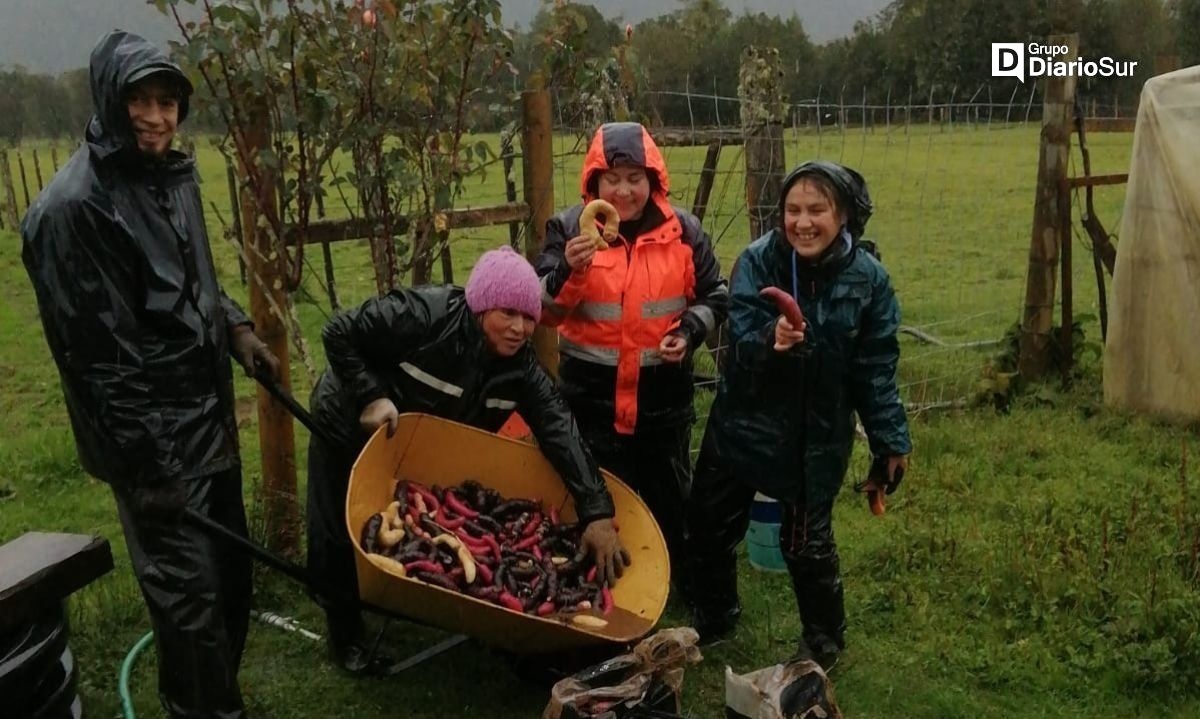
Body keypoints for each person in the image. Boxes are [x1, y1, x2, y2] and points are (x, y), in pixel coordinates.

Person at [20, 30, 279, 719]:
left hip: (206, 420)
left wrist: (236, 328)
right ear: (112, 100)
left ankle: (212, 700)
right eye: (142, 100)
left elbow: (191, 281)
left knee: (229, 585)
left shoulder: (170, 172)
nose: (158, 117)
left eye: (169, 102)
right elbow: (101, 364)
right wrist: (152, 468)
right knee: (189, 608)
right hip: (151, 443)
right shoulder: (77, 210)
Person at [307, 245, 629, 675]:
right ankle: (344, 631)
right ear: (480, 307)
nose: (519, 328)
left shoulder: (521, 369)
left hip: (411, 435)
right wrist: (370, 396)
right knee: (335, 522)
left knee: (403, 518)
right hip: (349, 415)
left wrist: (597, 512)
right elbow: (338, 331)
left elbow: (559, 429)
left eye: (529, 318)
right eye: (507, 314)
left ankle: (407, 593)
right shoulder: (422, 315)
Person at [684, 161, 911, 670]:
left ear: (845, 216)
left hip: (816, 437)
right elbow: (738, 345)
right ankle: (714, 615)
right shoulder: (758, 262)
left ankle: (822, 645)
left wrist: (890, 440)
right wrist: (771, 341)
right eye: (792, 210)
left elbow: (875, 368)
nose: (802, 223)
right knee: (707, 526)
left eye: (817, 210)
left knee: (806, 547)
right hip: (743, 425)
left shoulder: (869, 280)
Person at [534, 122, 729, 587]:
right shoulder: (567, 229)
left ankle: (675, 582)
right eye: (613, 179)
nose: (624, 191)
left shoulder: (684, 232)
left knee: (669, 500)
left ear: (653, 180)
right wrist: (570, 269)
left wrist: (688, 330)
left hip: (663, 402)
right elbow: (545, 311)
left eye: (635, 178)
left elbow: (716, 297)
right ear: (594, 184)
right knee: (597, 499)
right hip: (591, 402)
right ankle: (600, 584)